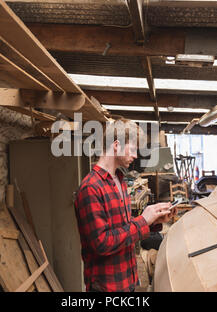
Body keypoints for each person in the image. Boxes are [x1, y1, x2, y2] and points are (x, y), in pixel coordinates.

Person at [74, 119, 177, 292]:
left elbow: (122, 228)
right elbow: (102, 243)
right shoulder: (90, 188)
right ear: (116, 145)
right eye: (133, 148)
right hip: (107, 286)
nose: (136, 155)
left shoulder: (120, 182)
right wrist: (143, 220)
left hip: (127, 279)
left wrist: (152, 221)